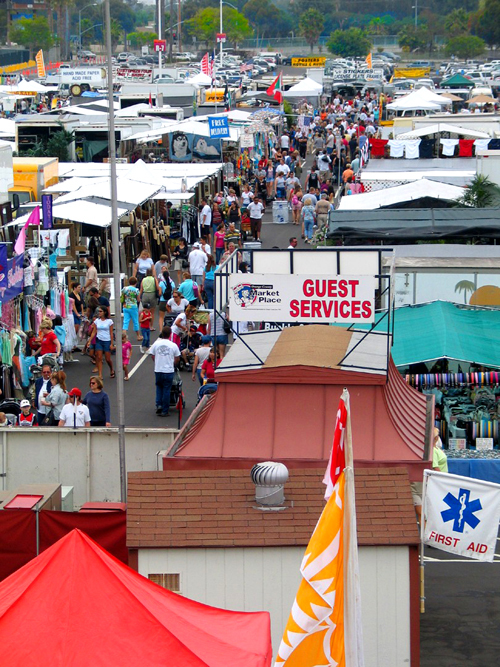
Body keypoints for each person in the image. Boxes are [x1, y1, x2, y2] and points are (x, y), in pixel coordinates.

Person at [148, 325, 181, 417]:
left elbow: (152, 356)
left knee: (159, 387)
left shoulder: (156, 344)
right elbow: (177, 358)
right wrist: (173, 364)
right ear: (170, 334)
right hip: (168, 370)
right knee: (167, 389)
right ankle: (165, 410)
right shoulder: (173, 345)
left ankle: (159, 404)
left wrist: (157, 362)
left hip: (158, 369)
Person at [86, 306, 115, 380]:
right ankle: (100, 374)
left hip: (107, 341)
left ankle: (111, 369)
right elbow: (94, 332)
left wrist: (111, 343)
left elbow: (111, 333)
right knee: (99, 357)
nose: (99, 313)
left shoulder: (109, 321)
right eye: (98, 311)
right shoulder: (97, 321)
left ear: (105, 312)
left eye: (101, 311)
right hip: (99, 340)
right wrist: (89, 341)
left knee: (108, 359)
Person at [121, 276, 142, 342]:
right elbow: (138, 300)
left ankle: (123, 337)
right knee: (135, 321)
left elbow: (122, 296)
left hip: (126, 306)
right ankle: (138, 336)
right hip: (133, 307)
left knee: (126, 321)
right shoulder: (136, 290)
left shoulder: (125, 288)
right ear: (136, 283)